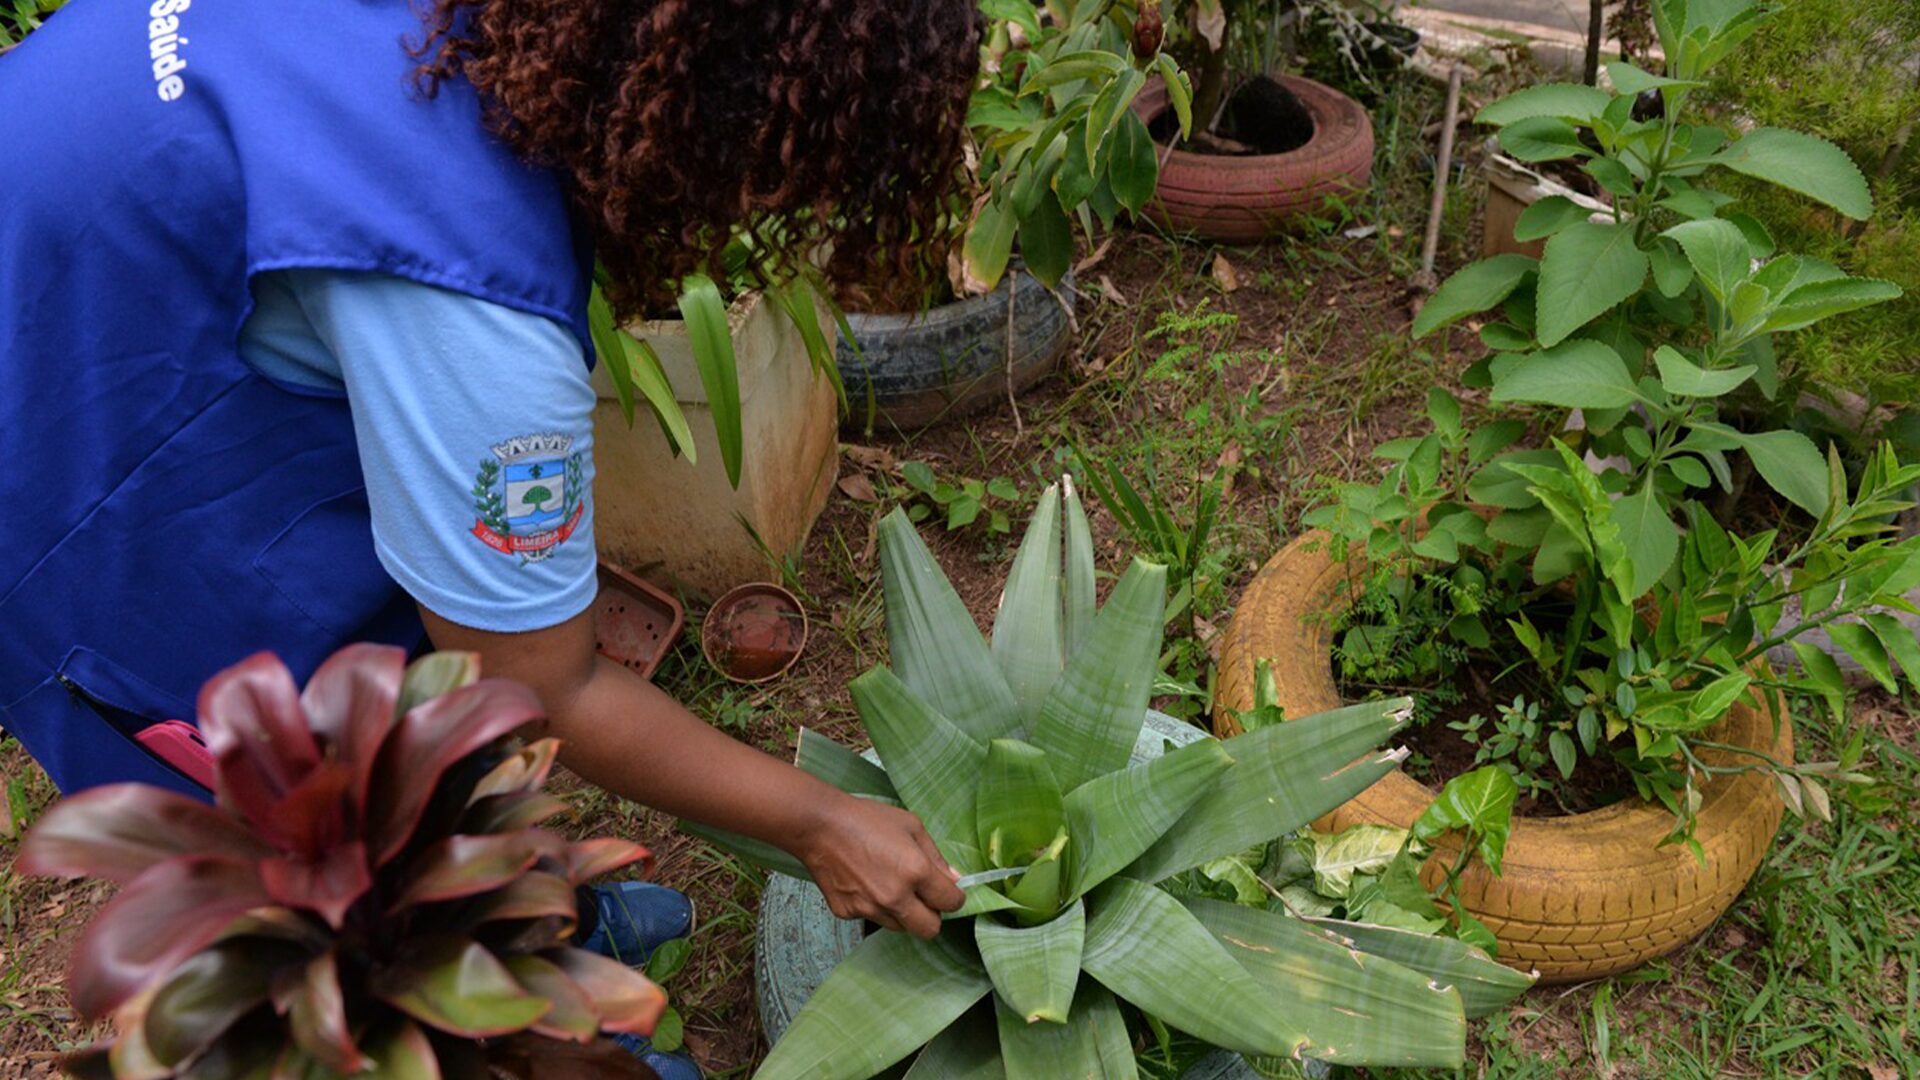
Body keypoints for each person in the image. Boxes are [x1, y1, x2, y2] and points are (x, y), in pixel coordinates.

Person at [0, 2, 979, 1073]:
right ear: (737, 121)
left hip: (89, 244)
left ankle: (537, 910)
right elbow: (541, 686)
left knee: (412, 677)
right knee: (317, 836)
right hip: (64, 464)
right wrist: (824, 822)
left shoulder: (478, 34)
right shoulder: (462, 291)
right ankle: (497, 1003)